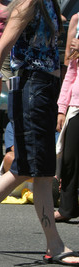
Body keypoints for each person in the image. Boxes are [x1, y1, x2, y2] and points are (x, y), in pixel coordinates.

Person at [0, 0, 79, 264]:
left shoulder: (50, 5)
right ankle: (54, 245)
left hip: (44, 89)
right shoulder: (28, 5)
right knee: (42, 172)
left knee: (24, 167)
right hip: (32, 89)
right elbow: (0, 48)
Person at [54, 35, 79, 223]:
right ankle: (67, 207)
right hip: (76, 107)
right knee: (69, 158)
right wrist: (62, 109)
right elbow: (70, 76)